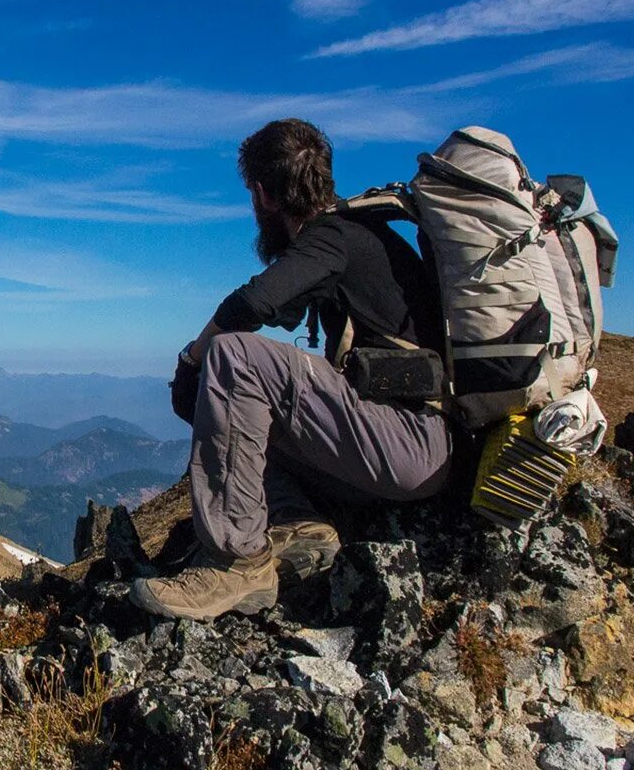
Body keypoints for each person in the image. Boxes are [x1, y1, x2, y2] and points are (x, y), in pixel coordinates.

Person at [130, 118, 454, 620]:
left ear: (264, 195)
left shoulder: (334, 238)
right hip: (411, 448)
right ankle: (303, 525)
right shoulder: (359, 237)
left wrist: (193, 357)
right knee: (250, 407)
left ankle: (238, 564)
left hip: (411, 444)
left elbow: (254, 303)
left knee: (235, 358)